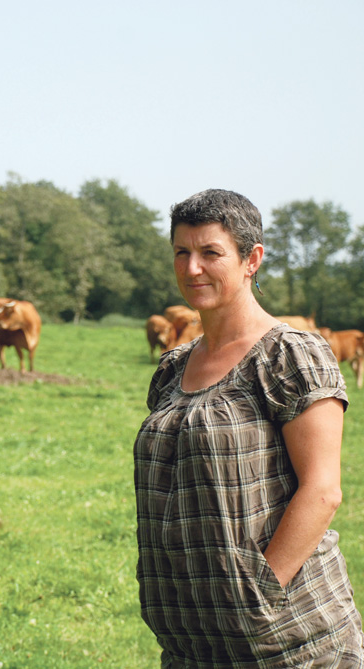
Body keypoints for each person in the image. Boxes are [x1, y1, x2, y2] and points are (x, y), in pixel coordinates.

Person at [134, 188, 364, 666]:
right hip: (192, 644)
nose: (192, 268)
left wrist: (257, 592)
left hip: (287, 641)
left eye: (210, 253)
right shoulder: (173, 367)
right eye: (182, 252)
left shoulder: (290, 354)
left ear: (251, 259)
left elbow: (322, 491)